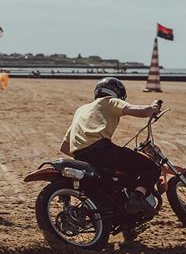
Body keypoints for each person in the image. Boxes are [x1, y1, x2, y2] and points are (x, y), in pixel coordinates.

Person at [59, 77, 162, 214]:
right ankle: (136, 198)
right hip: (102, 149)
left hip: (80, 155)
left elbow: (65, 147)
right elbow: (137, 110)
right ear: (118, 94)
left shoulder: (81, 109)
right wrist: (153, 108)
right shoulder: (109, 101)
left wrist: (88, 152)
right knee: (151, 167)